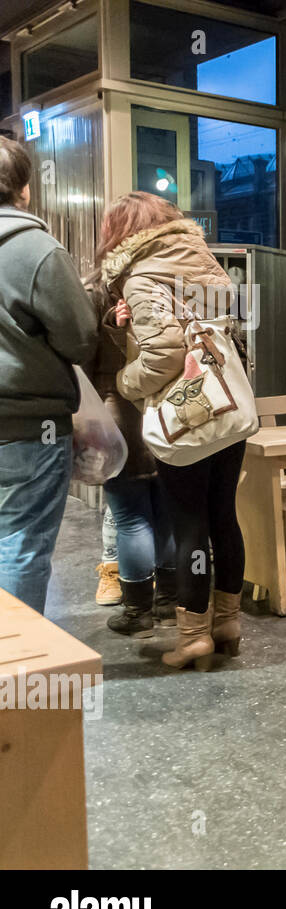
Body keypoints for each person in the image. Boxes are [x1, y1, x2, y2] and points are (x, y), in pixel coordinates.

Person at [97, 191, 245, 669]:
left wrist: (124, 381)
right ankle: (228, 622)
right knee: (224, 515)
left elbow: (163, 357)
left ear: (123, 234)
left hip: (186, 419)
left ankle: (193, 636)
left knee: (189, 525)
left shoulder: (142, 277)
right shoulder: (209, 265)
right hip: (228, 411)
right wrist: (129, 331)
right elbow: (225, 336)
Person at [0, 136, 99, 614]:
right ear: (24, 189)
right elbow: (79, 338)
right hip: (27, 427)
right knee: (20, 545)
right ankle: (15, 674)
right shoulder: (36, 250)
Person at [85, 276, 177, 638]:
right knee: (166, 510)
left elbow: (85, 356)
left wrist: (115, 327)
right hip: (172, 415)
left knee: (130, 517)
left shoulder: (102, 292)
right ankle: (170, 604)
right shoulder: (169, 283)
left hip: (121, 414)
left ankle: (138, 613)